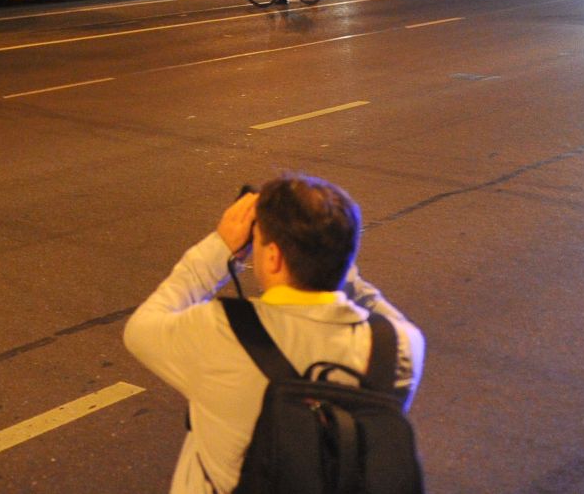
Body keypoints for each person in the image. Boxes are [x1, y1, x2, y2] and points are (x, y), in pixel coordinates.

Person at [125, 175, 424, 493]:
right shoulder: (399, 347)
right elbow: (373, 303)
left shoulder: (217, 331)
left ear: (273, 257)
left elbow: (140, 328)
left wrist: (220, 248)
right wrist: (332, 257)